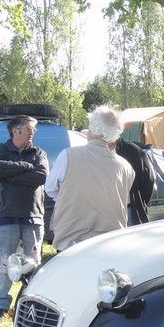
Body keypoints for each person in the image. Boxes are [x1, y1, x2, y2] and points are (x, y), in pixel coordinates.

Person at [45, 106, 135, 251]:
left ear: (91, 128)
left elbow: (50, 189)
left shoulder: (68, 156)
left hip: (72, 239)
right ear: (115, 134)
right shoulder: (126, 167)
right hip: (111, 240)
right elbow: (125, 200)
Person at [0, 115, 49, 320]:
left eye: (34, 129)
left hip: (33, 216)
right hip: (7, 215)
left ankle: (32, 302)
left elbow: (41, 175)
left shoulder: (39, 152)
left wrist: (13, 174)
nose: (33, 133)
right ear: (16, 131)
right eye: (29, 129)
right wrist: (26, 167)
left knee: (34, 262)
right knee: (5, 261)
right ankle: (1, 305)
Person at [115, 135, 156, 225]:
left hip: (129, 210)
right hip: (103, 214)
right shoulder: (92, 154)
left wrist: (138, 201)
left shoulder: (132, 151)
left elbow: (149, 179)